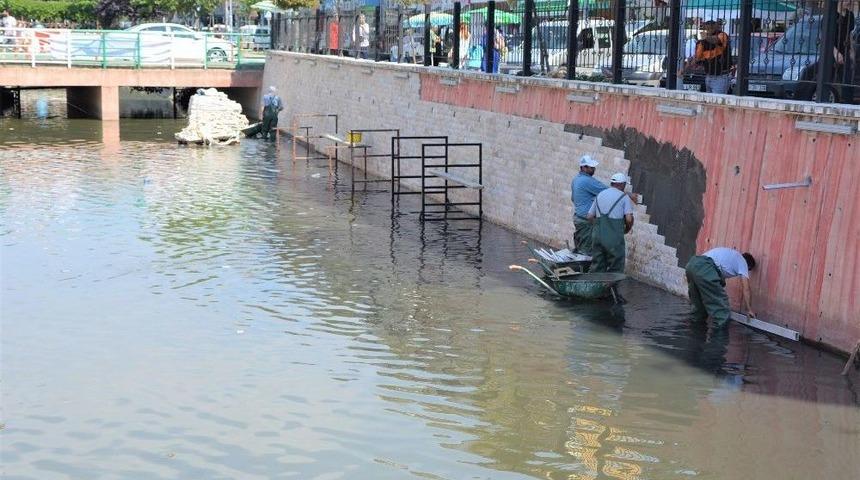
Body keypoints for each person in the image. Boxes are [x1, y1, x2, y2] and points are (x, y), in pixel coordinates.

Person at [685, 247, 757, 328]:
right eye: (748, 270)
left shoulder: (730, 256)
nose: (747, 272)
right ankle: (719, 339)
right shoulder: (742, 261)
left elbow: (716, 279)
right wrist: (749, 309)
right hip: (705, 268)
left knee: (699, 309)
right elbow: (746, 288)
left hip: (692, 265)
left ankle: (694, 335)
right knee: (722, 310)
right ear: (748, 265)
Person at [587, 172, 635, 273]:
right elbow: (629, 219)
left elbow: (590, 216)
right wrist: (627, 229)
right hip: (614, 240)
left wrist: (597, 227)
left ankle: (596, 287)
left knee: (597, 266)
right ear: (622, 184)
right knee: (615, 268)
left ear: (612, 183)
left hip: (598, 237)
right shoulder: (624, 197)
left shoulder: (600, 195)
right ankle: (611, 287)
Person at [680, 19, 731, 94]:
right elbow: (696, 58)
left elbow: (716, 40)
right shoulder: (702, 42)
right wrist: (683, 70)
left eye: (712, 24)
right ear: (704, 26)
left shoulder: (722, 35)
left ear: (717, 25)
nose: (710, 26)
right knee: (709, 102)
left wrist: (706, 37)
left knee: (717, 103)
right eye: (708, 24)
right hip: (708, 77)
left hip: (721, 78)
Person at [571, 155, 607, 255]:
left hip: (578, 218)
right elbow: (608, 192)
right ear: (583, 168)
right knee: (586, 252)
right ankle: (584, 270)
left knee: (580, 247)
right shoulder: (587, 181)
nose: (594, 169)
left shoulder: (576, 179)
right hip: (586, 221)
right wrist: (627, 194)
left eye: (593, 167)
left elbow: (573, 198)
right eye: (591, 167)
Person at [834, 0, 855, 102]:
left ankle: (847, 103)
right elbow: (825, 37)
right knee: (829, 79)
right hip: (831, 52)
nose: (850, 2)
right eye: (847, 0)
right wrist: (835, 52)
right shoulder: (831, 15)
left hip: (845, 50)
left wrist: (851, 50)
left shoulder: (850, 15)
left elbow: (850, 34)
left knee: (847, 79)